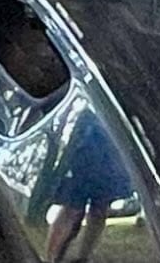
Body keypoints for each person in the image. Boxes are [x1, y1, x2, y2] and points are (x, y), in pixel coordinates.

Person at [44, 111, 133, 262]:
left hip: (114, 144)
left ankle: (83, 257)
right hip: (89, 138)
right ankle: (50, 258)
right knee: (72, 206)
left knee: (101, 205)